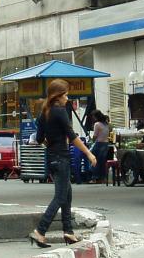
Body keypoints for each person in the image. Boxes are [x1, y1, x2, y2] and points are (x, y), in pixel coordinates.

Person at [29, 79, 96, 248]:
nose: (68, 97)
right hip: (61, 158)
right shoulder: (59, 111)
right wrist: (88, 153)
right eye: (65, 94)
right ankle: (40, 231)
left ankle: (68, 232)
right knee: (60, 197)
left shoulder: (44, 112)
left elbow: (38, 139)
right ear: (58, 96)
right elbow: (72, 136)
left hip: (51, 158)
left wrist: (51, 144)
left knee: (67, 195)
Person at [90, 111, 110, 183]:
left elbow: (95, 136)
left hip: (99, 143)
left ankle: (95, 177)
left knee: (94, 160)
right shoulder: (106, 124)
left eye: (93, 116)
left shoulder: (97, 124)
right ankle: (102, 177)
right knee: (102, 162)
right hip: (106, 144)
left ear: (96, 116)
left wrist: (92, 140)